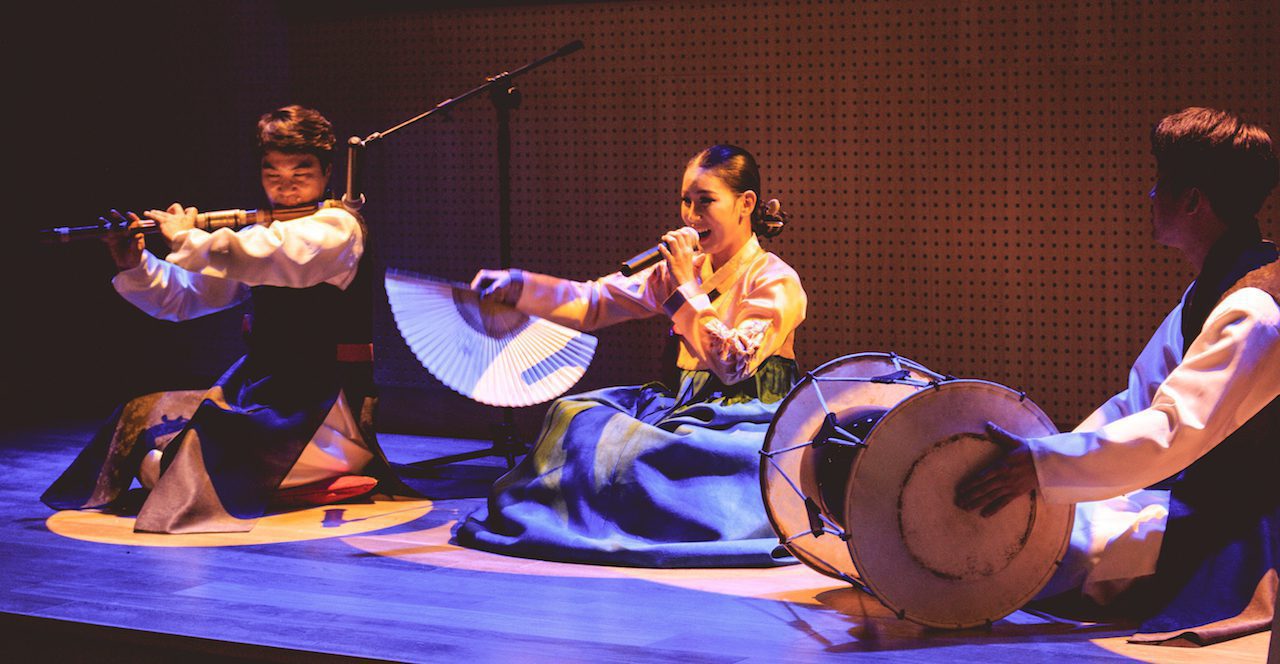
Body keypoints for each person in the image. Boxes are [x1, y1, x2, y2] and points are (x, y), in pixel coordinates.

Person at [957, 107, 1279, 645]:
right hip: (1189, 490)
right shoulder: (1214, 289)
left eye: (1161, 183)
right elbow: (1136, 402)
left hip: (1240, 519)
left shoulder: (1255, 309)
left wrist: (1043, 467)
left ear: (1195, 200)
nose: (1151, 196)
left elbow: (1173, 431)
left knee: (1043, 550)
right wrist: (1045, 457)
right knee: (1044, 521)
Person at [42, 105, 411, 533]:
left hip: (324, 406)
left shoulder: (338, 228)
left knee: (176, 467)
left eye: (301, 170)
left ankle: (317, 471)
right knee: (142, 418)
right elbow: (188, 296)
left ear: (327, 172)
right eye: (272, 171)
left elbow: (274, 255)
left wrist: (187, 236)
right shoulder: (259, 235)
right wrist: (135, 264)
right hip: (261, 392)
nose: (285, 184)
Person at [457, 145, 807, 566]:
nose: (691, 217)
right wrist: (518, 288)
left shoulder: (774, 279)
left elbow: (734, 366)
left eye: (706, 202)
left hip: (748, 417)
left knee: (654, 453)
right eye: (686, 202)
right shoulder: (683, 270)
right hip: (686, 404)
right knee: (576, 418)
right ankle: (594, 529)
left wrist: (684, 288)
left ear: (745, 204)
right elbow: (593, 302)